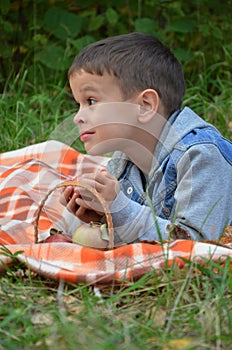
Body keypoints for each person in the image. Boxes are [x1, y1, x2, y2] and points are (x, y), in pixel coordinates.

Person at [60, 32, 232, 246]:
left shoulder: (200, 155)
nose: (78, 117)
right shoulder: (123, 162)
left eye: (91, 101)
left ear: (145, 106)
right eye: (78, 104)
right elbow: (148, 230)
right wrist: (102, 215)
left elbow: (197, 245)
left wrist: (120, 207)